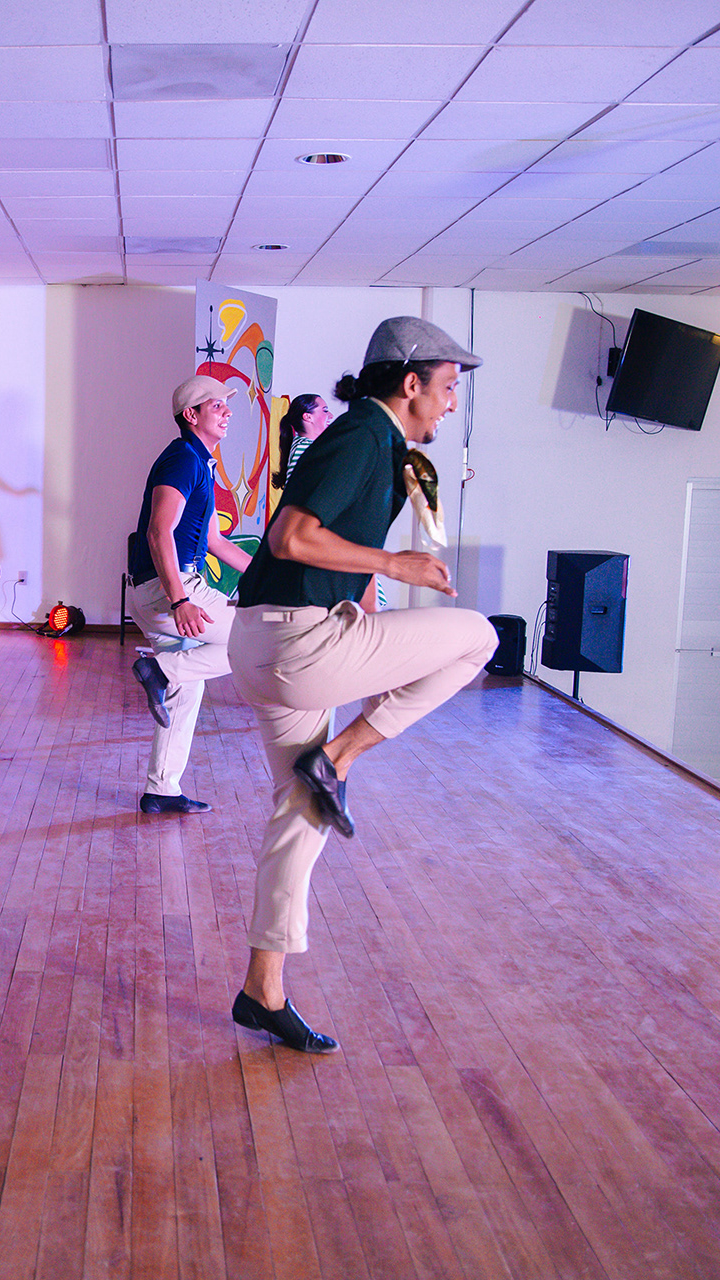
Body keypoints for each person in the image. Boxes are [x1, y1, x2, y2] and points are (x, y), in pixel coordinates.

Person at [226, 316, 499, 1054]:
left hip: (269, 641)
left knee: (303, 813)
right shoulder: (361, 437)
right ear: (411, 383)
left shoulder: (382, 445)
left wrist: (372, 587)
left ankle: (262, 990)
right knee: (480, 636)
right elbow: (291, 537)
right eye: (447, 387)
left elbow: (335, 549)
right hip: (297, 644)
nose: (451, 403)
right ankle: (339, 757)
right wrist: (395, 565)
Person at [124, 375, 253, 815]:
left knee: (187, 688)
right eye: (217, 405)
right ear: (191, 415)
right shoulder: (182, 459)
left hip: (163, 588)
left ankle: (161, 789)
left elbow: (215, 541)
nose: (227, 411)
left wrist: (268, 574)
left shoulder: (200, 462)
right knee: (256, 638)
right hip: (168, 589)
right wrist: (180, 601)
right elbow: (158, 531)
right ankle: (158, 670)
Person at [273, 392, 332, 488]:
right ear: (308, 417)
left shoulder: (308, 447)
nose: (331, 415)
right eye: (325, 411)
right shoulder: (305, 448)